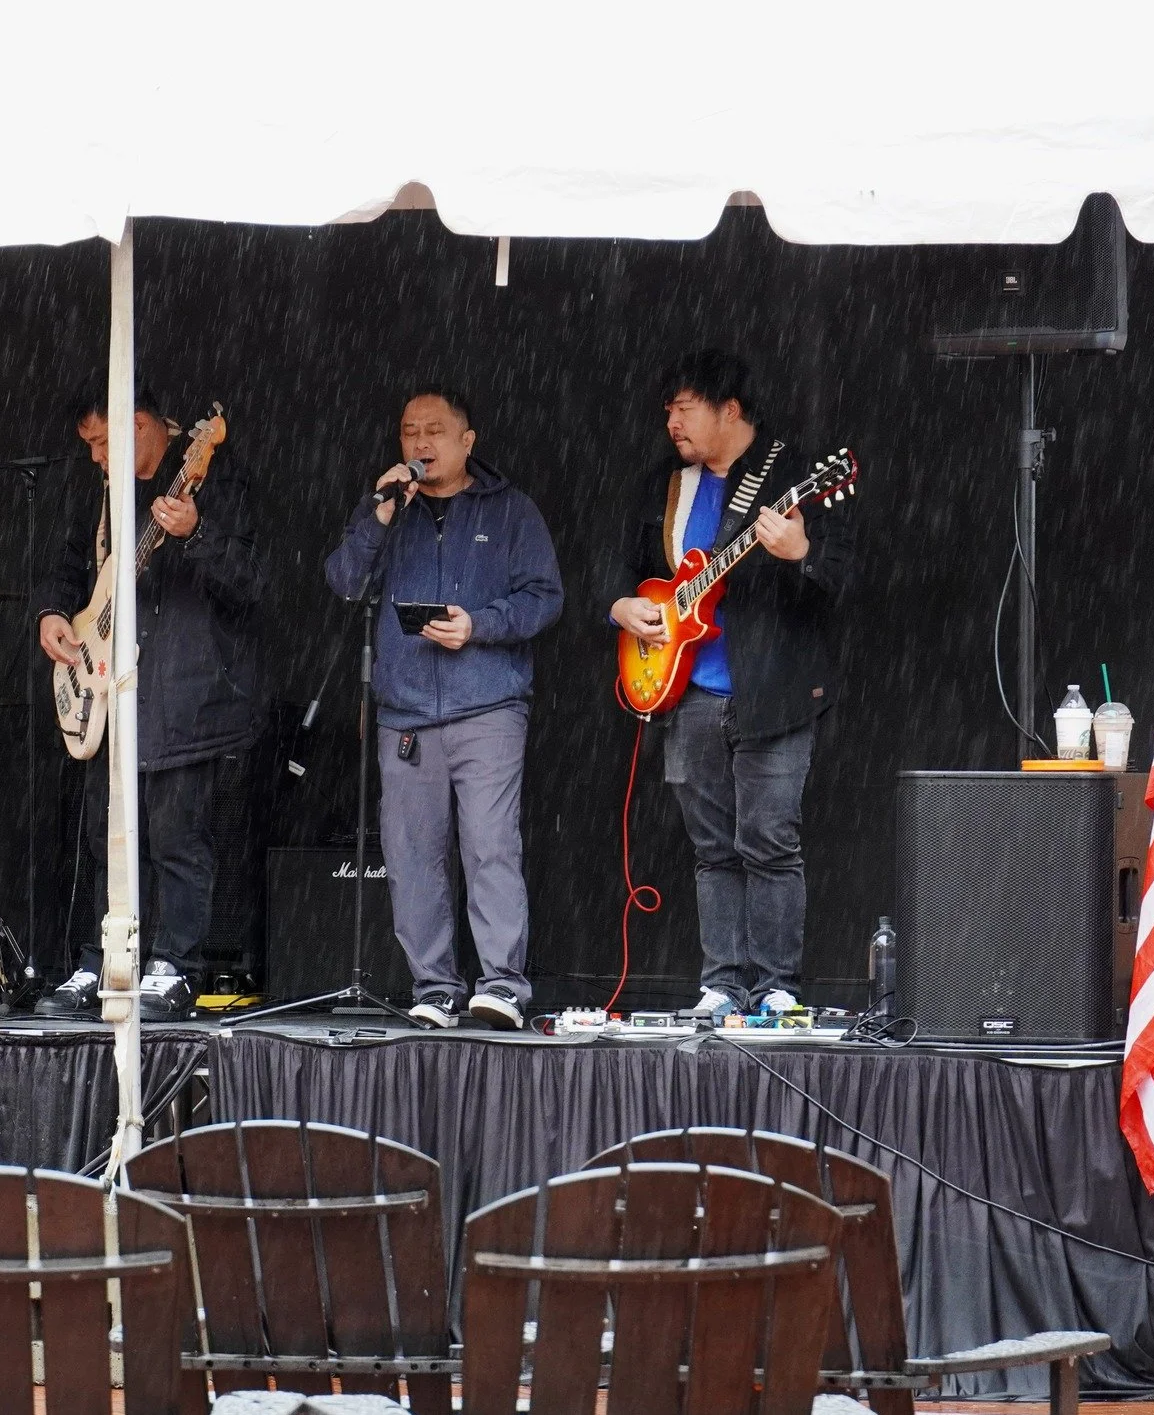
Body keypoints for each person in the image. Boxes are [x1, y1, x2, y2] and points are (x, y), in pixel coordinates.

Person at [608, 350, 854, 1019]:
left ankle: (779, 987)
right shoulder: (668, 483)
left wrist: (801, 555)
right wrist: (621, 605)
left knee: (770, 841)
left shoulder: (797, 474)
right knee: (712, 850)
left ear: (731, 411)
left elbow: (847, 574)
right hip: (687, 693)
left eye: (684, 407)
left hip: (772, 693)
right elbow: (622, 563)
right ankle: (721, 983)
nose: (673, 422)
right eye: (668, 410)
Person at [324, 389, 563, 1030]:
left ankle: (503, 987)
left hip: (487, 704)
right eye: (408, 432)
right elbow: (345, 581)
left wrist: (478, 625)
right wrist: (378, 515)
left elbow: (546, 598)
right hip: (404, 712)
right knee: (411, 853)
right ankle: (434, 987)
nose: (420, 444)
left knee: (489, 845)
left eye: (434, 431)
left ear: (467, 441)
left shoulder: (511, 511)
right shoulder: (388, 509)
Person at [33, 388, 264, 1021]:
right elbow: (70, 563)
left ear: (139, 425)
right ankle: (97, 960)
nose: (97, 459)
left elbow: (253, 582)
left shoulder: (213, 477)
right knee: (102, 839)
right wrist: (54, 612)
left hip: (185, 693)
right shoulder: (103, 496)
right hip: (110, 687)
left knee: (175, 836)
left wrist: (199, 534)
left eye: (102, 442)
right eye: (89, 447)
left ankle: (174, 966)